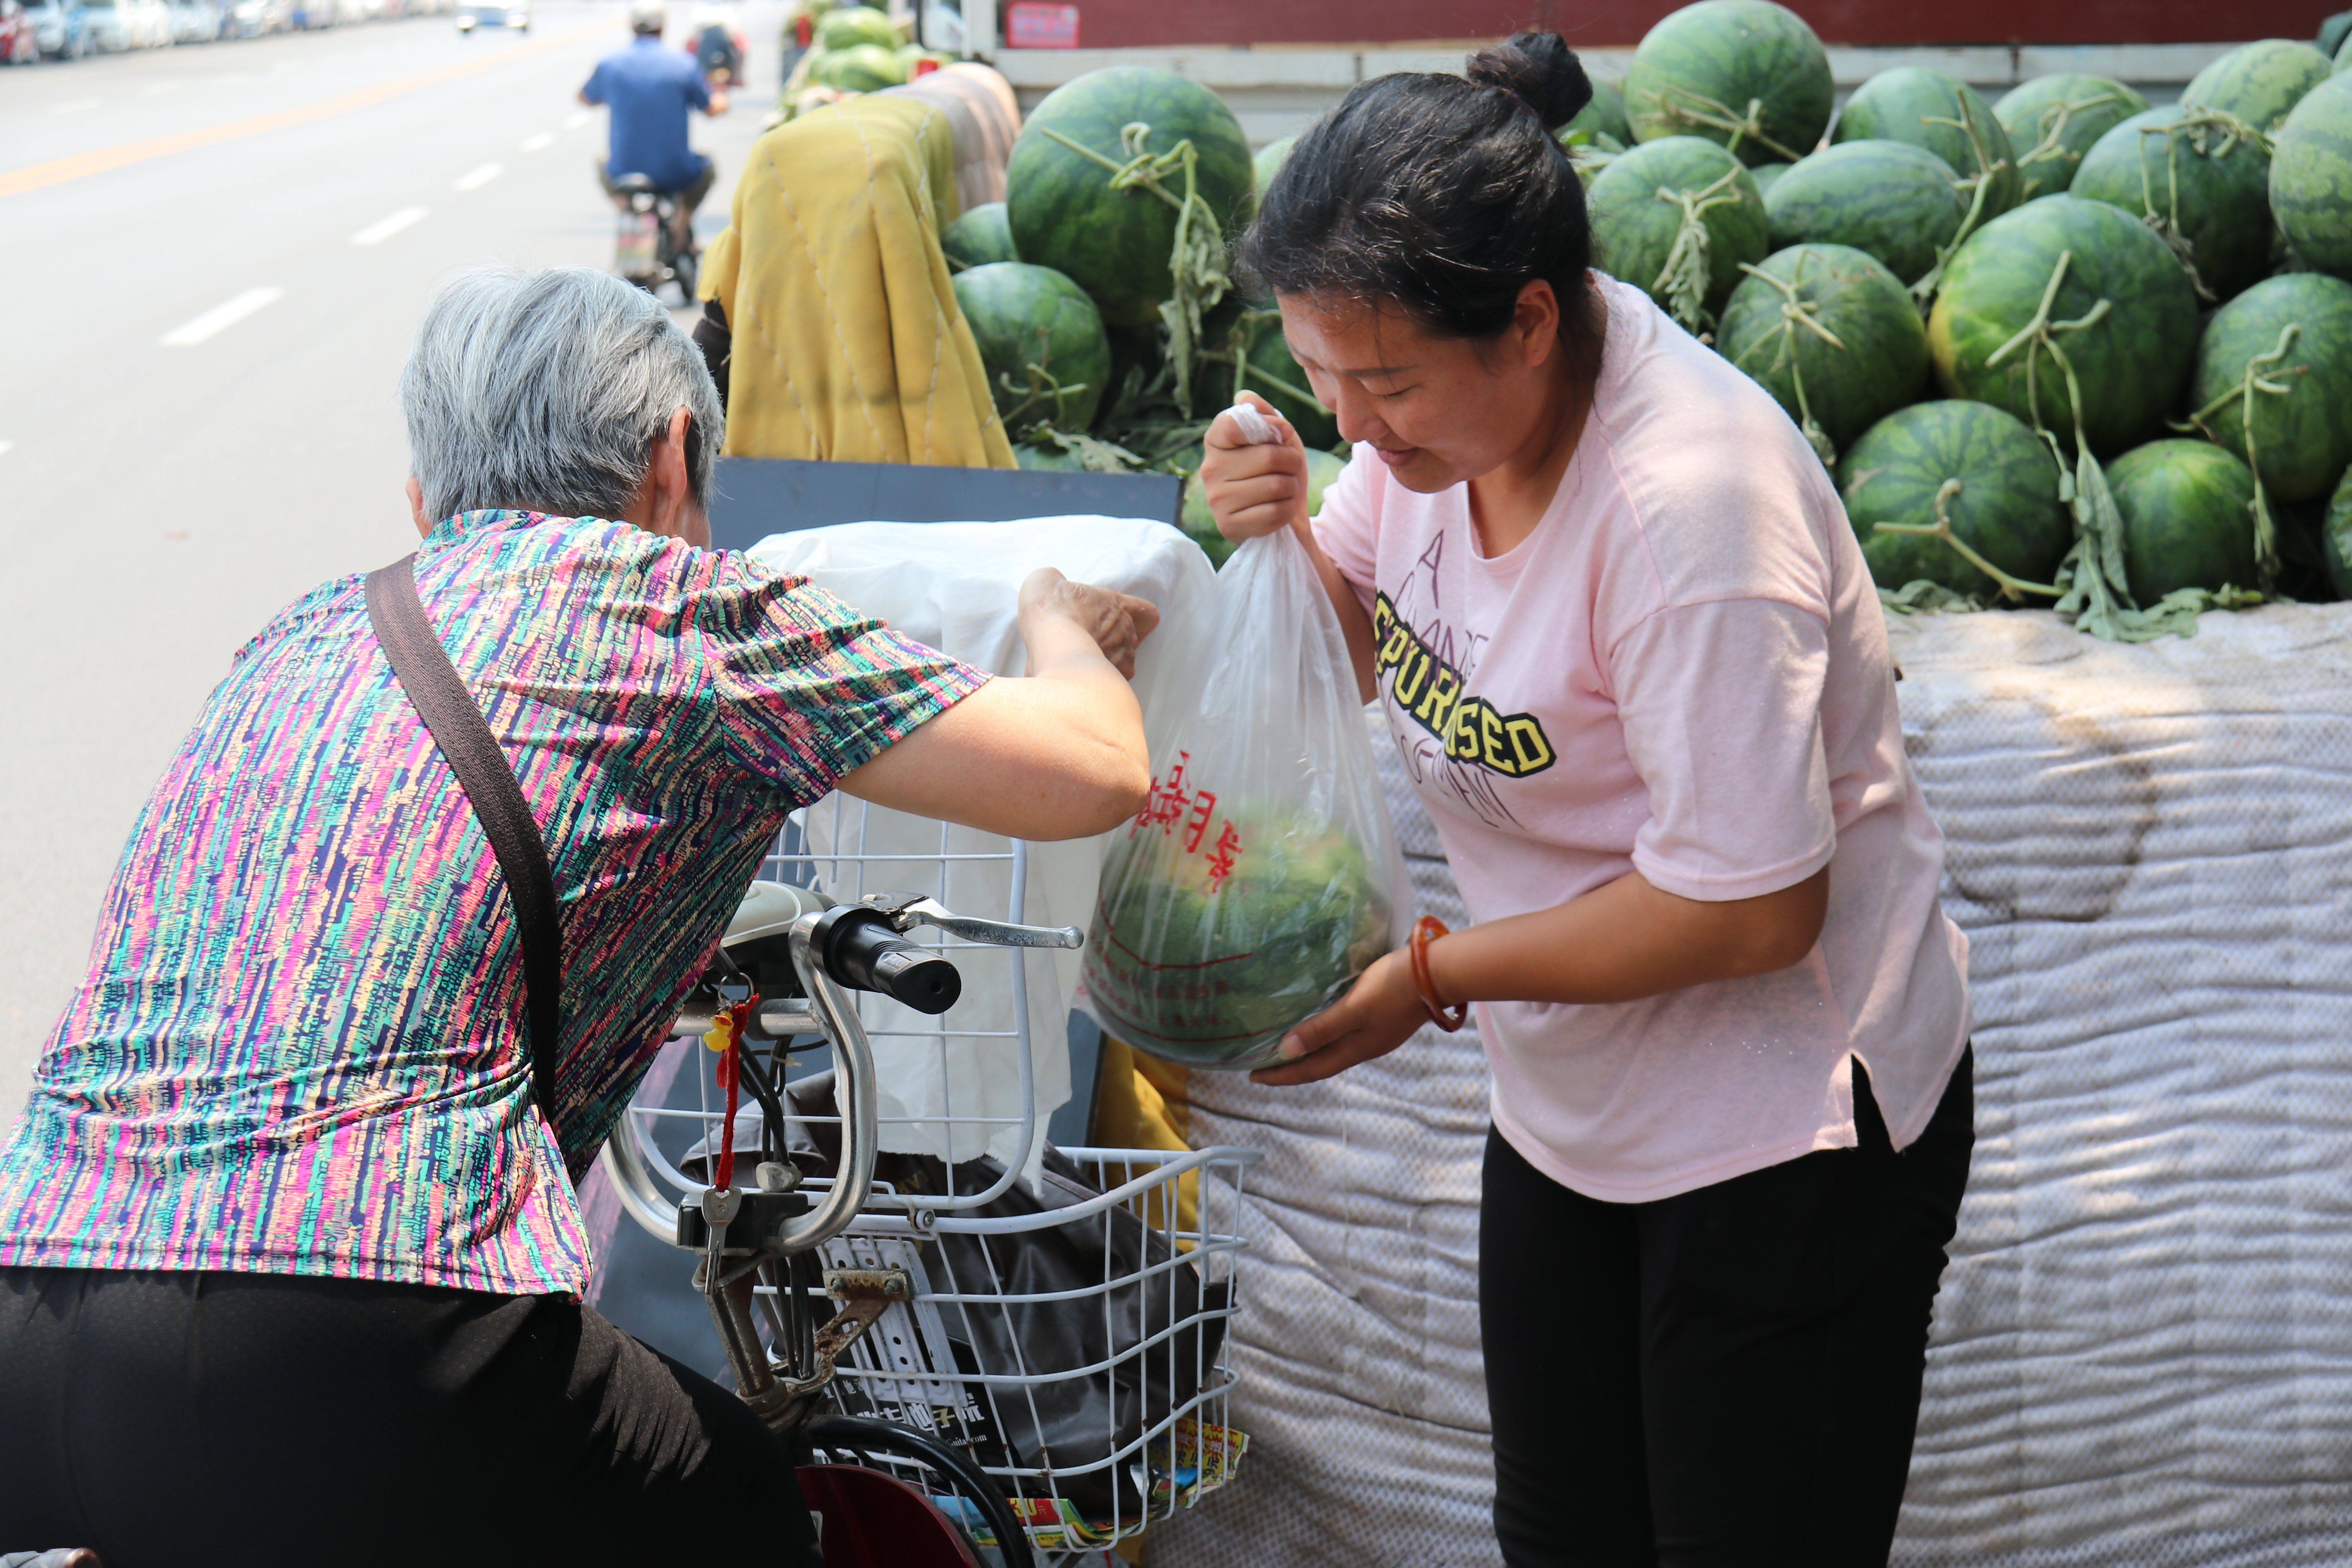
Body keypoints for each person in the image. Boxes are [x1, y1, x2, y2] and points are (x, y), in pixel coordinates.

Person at [0, 265, 1159, 1566]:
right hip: (364, 1324)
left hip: (37, 1319)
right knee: (744, 1513)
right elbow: (1093, 773)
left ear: (422, 496)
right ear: (672, 460)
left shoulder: (301, 633)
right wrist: (1061, 623)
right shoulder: (681, 611)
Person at [1201, 33, 1974, 1568]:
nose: (1355, 422)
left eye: (1388, 382)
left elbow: (1750, 902)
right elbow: (1357, 629)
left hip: (1783, 1128)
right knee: (1565, 1537)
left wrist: (1432, 975)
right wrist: (1271, 533)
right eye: (1317, 377)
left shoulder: (1689, 507)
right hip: (1575, 1101)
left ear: (1531, 322)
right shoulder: (1432, 439)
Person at [581, 0, 726, 252]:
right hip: (677, 171)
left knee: (601, 162)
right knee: (708, 169)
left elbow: (585, 97)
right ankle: (680, 227)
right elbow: (710, 108)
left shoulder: (611, 64)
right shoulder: (683, 64)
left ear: (632, 27)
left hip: (622, 171)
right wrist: (721, 99)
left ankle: (627, 211)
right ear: (663, 28)